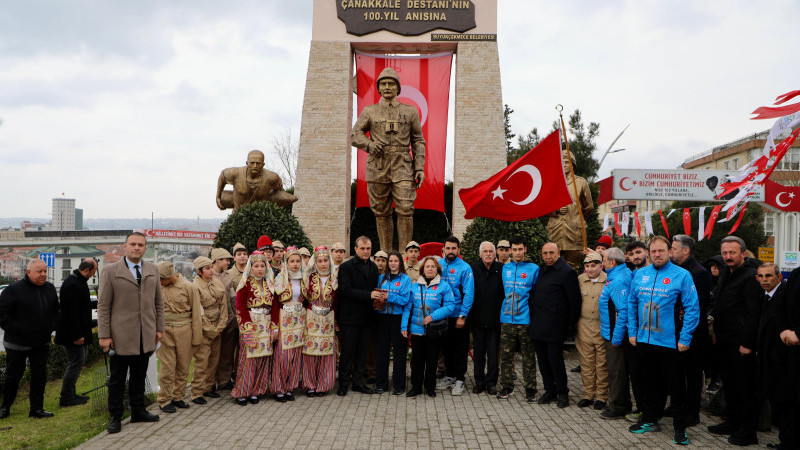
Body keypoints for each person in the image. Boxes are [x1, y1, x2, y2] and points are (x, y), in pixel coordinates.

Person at [626, 236, 699, 446]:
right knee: (648, 383)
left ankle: (680, 429)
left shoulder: (682, 275)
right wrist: (632, 331)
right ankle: (650, 419)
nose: (657, 254)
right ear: (649, 253)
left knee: (676, 388)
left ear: (670, 252)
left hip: (671, 342)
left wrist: (685, 337)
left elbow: (693, 308)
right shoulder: (640, 274)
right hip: (644, 340)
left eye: (661, 251)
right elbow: (631, 303)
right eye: (654, 251)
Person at [352, 67, 426, 252]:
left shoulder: (410, 111)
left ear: (397, 88)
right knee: (381, 211)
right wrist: (369, 145)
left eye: (391, 84)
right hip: (378, 164)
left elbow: (418, 140)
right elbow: (355, 135)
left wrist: (419, 167)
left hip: (403, 165)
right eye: (383, 84)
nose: (387, 87)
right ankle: (385, 254)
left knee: (405, 208)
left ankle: (405, 255)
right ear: (378, 88)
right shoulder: (370, 111)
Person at [97, 232, 164, 433]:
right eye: (133, 244)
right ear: (124, 246)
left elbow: (158, 302)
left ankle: (138, 411)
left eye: (140, 245)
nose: (136, 248)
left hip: (145, 334)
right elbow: (103, 305)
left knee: (139, 376)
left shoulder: (152, 269)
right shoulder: (110, 271)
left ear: (145, 248)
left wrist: (159, 328)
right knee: (117, 379)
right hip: (120, 336)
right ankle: (115, 416)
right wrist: (104, 335)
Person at [707, 236, 762, 446]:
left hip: (741, 341)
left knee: (744, 387)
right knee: (729, 384)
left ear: (743, 253)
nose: (728, 256)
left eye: (732, 252)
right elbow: (720, 303)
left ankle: (748, 432)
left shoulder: (750, 276)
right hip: (724, 338)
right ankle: (732, 422)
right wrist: (715, 331)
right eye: (724, 253)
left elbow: (753, 313)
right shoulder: (725, 273)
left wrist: (747, 343)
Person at [0, 259, 59, 420]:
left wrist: (51, 326)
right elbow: (3, 317)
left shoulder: (50, 289)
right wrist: (20, 330)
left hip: (41, 342)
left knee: (39, 375)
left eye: (45, 271)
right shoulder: (13, 290)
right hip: (17, 343)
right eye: (39, 271)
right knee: (13, 376)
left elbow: (56, 311)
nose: (43, 274)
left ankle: (37, 409)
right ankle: (5, 407)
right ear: (28, 273)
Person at [529, 242, 580, 408]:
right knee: (543, 361)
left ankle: (562, 392)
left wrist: (569, 325)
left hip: (556, 326)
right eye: (545, 253)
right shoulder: (541, 270)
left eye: (551, 253)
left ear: (558, 253)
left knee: (555, 361)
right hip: (539, 324)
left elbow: (574, 301)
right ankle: (549, 390)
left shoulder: (567, 272)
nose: (548, 256)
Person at [669, 234, 712, 426]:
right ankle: (677, 405)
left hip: (693, 332)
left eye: (674, 249)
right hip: (675, 329)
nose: (671, 252)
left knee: (692, 374)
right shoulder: (675, 270)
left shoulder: (698, 272)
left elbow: (698, 303)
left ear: (686, 251)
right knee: (677, 371)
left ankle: (692, 412)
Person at [402, 256, 455, 397]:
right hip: (417, 330)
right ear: (422, 270)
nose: (430, 269)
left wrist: (433, 316)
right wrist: (404, 327)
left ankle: (430, 387)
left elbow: (450, 306)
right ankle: (416, 387)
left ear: (437, 269)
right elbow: (407, 308)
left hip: (434, 330)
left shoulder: (444, 286)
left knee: (432, 360)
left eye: (433, 266)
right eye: (427, 266)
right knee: (417, 361)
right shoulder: (414, 286)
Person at [336, 236, 381, 396]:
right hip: (350, 317)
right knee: (348, 352)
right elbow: (345, 290)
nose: (365, 251)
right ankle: (343, 383)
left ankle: (358, 382)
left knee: (363, 352)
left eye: (368, 248)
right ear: (355, 249)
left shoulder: (374, 267)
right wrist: (369, 295)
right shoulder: (346, 267)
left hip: (367, 318)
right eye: (362, 248)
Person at [156, 261, 202, 413]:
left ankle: (178, 396)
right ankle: (164, 399)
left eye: (162, 279)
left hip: (184, 329)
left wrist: (196, 337)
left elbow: (196, 313)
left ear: (169, 276)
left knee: (183, 365)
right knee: (167, 366)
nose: (159, 281)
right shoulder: (157, 287)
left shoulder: (189, 287)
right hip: (165, 330)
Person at [598, 247, 638, 420]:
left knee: (616, 372)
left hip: (615, 335)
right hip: (613, 332)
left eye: (604, 259)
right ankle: (623, 404)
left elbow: (624, 311)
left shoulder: (618, 280)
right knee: (618, 371)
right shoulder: (620, 274)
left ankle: (617, 407)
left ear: (612, 262)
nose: (602, 263)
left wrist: (616, 338)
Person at [232, 250, 276, 406]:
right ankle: (243, 391)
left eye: (262, 266)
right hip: (251, 324)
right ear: (250, 267)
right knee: (248, 359)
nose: (259, 269)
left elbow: (274, 306)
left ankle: (257, 390)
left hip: (266, 324)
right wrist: (246, 329)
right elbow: (240, 308)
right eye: (256, 266)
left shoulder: (270, 284)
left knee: (263, 358)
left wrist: (274, 327)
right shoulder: (245, 284)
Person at [498, 237, 539, 401]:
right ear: (510, 251)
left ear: (525, 249)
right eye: (514, 250)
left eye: (520, 249)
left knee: (528, 356)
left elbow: (536, 294)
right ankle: (507, 386)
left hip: (525, 320)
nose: (517, 253)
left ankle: (531, 389)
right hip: (507, 319)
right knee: (506, 356)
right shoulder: (505, 268)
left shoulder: (533, 269)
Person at [55, 258, 97, 407]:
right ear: (87, 270)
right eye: (93, 271)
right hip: (73, 334)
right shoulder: (73, 284)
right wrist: (77, 335)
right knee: (75, 364)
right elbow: (70, 313)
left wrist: (97, 304)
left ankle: (71, 394)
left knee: (78, 362)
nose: (94, 274)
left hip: (78, 332)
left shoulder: (77, 281)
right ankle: (66, 398)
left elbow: (81, 304)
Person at [436, 236, 475, 396]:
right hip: (442, 315)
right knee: (446, 348)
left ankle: (460, 379)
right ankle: (450, 375)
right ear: (443, 249)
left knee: (460, 348)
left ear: (459, 249)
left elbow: (469, 294)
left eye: (454, 248)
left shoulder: (465, 268)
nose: (450, 251)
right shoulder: (438, 265)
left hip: (458, 315)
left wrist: (462, 315)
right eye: (448, 248)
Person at [768, 265, 800, 450]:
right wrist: (784, 331)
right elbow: (781, 305)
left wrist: (798, 333)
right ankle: (787, 442)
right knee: (788, 400)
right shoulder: (796, 274)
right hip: (789, 350)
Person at [546, 149, 594, 270]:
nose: (564, 165)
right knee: (552, 263)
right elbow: (544, 205)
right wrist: (556, 210)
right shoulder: (552, 181)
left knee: (573, 266)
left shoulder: (581, 182)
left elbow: (589, 207)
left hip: (574, 231)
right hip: (555, 229)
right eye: (561, 162)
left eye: (567, 162)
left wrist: (578, 219)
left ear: (573, 164)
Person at [190, 256, 229, 404]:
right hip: (204, 329)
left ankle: (209, 387)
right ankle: (197, 392)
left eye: (211, 267)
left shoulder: (217, 283)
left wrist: (220, 326)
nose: (211, 271)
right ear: (199, 271)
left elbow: (224, 306)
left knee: (214, 359)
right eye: (207, 268)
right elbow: (198, 312)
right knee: (202, 361)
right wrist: (211, 330)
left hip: (218, 326)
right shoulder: (195, 287)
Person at [301, 246, 338, 397]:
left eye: (325, 260)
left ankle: (323, 385)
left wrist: (337, 320)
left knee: (326, 352)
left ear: (330, 261)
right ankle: (310, 384)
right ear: (315, 262)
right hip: (311, 317)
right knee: (310, 351)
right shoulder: (309, 278)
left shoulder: (335, 278)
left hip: (328, 318)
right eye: (320, 261)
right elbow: (303, 299)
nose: (323, 264)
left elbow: (338, 301)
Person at [469, 242, 504, 396]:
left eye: (491, 251)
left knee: (493, 354)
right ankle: (479, 382)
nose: (488, 254)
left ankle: (491, 382)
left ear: (495, 254)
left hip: (495, 320)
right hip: (477, 319)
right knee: (478, 354)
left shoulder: (501, 269)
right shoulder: (472, 269)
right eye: (485, 251)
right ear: (480, 254)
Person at [272, 247, 306, 402]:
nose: (295, 264)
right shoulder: (280, 279)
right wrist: (275, 325)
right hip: (284, 318)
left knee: (295, 355)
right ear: (286, 263)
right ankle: (278, 388)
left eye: (298, 261)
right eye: (292, 261)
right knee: (283, 355)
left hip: (299, 319)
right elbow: (274, 303)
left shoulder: (304, 279)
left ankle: (289, 387)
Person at [375, 251, 412, 395]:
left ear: (400, 262)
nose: (392, 263)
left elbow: (405, 300)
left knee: (399, 353)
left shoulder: (405, 279)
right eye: (390, 261)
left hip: (398, 318)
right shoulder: (381, 278)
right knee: (382, 352)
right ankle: (381, 384)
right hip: (382, 318)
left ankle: (399, 385)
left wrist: (389, 296)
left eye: (395, 261)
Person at [575, 252, 608, 410]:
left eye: (593, 266)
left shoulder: (608, 280)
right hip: (584, 325)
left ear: (601, 266)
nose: (590, 269)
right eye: (587, 266)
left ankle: (602, 396)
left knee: (601, 364)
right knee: (587, 363)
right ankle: (588, 394)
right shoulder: (580, 280)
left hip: (602, 325)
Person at [215, 149, 297, 209]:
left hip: (261, 217)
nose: (255, 166)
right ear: (247, 163)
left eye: (258, 163)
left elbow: (278, 192)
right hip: (238, 216)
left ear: (263, 164)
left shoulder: (272, 178)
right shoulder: (234, 173)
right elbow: (222, 177)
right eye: (252, 163)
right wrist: (218, 196)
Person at [211, 247, 237, 391]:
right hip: (215, 319)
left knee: (228, 351)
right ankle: (210, 382)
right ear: (217, 260)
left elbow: (232, 296)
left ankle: (225, 380)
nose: (228, 263)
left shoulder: (228, 276)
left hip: (229, 317)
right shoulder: (209, 275)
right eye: (226, 260)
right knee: (213, 353)